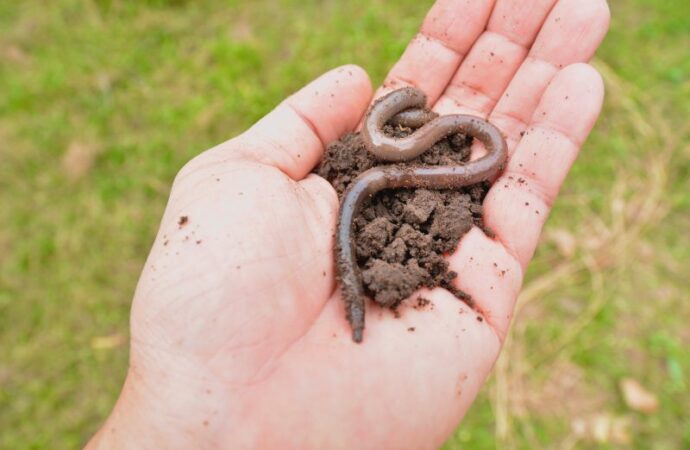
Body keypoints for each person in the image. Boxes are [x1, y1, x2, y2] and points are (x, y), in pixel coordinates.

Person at [86, 0, 610, 448]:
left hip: (407, 152)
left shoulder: (403, 145)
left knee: (384, 173)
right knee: (379, 176)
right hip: (402, 158)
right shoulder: (391, 148)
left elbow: (402, 143)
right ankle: (358, 292)